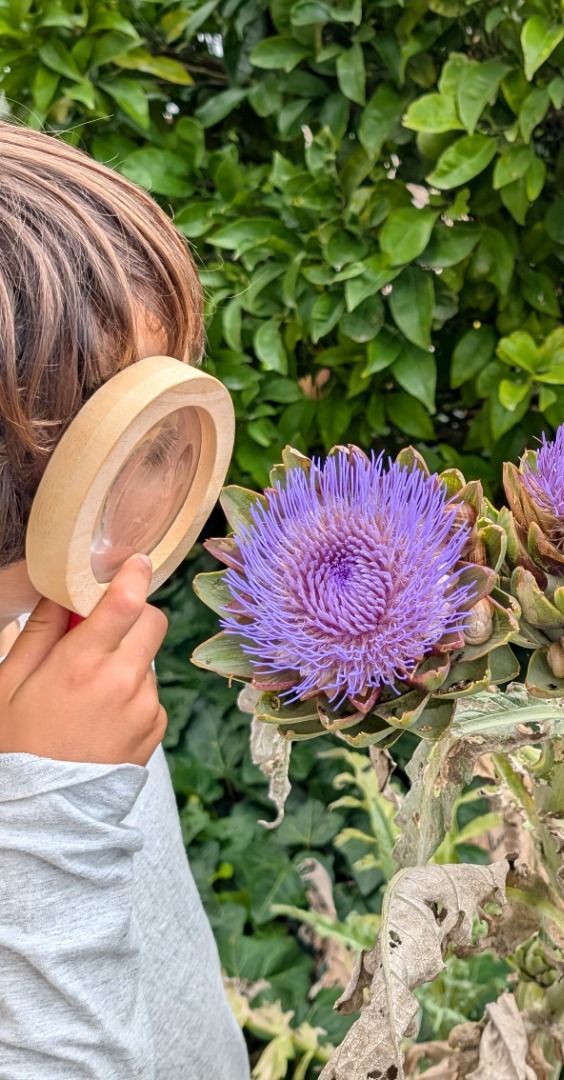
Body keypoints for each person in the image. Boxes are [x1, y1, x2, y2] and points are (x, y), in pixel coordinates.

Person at [0, 123, 250, 1078]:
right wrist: (50, 814)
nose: (162, 500)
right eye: (131, 450)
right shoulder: (56, 733)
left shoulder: (61, 649)